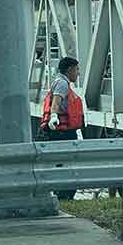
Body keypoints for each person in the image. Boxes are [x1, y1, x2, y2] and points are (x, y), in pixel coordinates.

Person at [40, 57, 84, 201]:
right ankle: (64, 194)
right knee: (67, 163)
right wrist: (54, 116)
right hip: (61, 131)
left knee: (61, 162)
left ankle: (62, 193)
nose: (78, 73)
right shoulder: (62, 84)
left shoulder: (59, 82)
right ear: (69, 70)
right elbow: (56, 102)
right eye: (77, 69)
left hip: (60, 130)